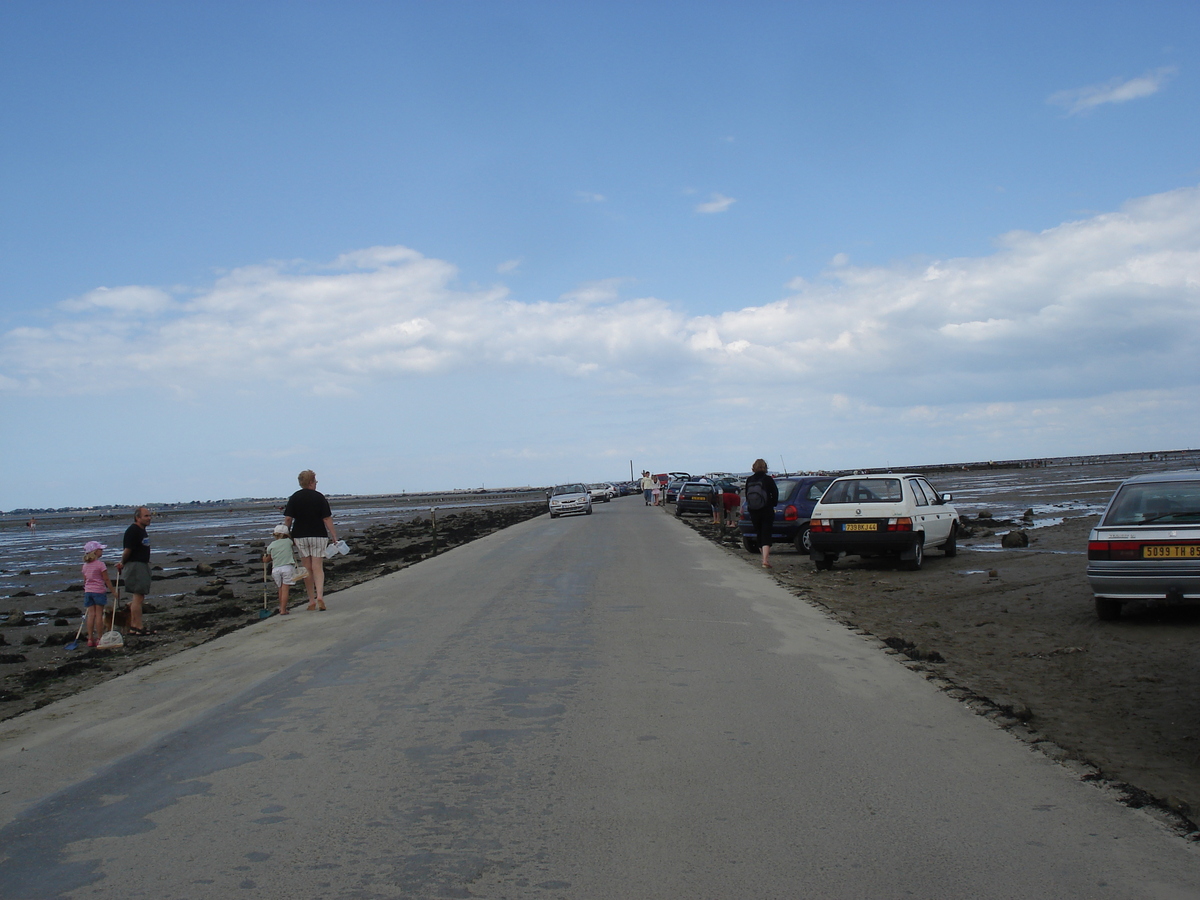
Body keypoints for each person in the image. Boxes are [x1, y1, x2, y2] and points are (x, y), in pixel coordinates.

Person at [284, 469, 339, 611]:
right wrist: (333, 536)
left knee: (306, 568)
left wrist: (286, 533)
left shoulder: (294, 497)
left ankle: (311, 600)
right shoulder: (319, 497)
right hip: (318, 534)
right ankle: (320, 596)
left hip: (300, 535)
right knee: (317, 567)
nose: (316, 484)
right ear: (311, 482)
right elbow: (326, 518)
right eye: (315, 481)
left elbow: (288, 518)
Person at [117, 506, 154, 634]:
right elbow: (127, 550)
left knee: (138, 597)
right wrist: (122, 563)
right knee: (138, 598)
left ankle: (134, 625)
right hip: (135, 566)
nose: (149, 518)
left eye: (149, 516)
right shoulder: (133, 531)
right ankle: (137, 626)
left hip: (142, 564)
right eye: (146, 516)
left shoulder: (142, 530)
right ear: (138, 518)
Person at [744, 459, 779, 568]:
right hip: (766, 509)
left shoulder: (749, 479)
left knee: (759, 533)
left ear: (753, 467)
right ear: (765, 467)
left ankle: (763, 558)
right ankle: (765, 560)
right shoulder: (767, 479)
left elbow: (746, 495)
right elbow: (775, 493)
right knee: (766, 533)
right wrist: (772, 504)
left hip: (753, 510)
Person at [81, 540, 116, 647]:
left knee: (91, 615)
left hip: (88, 592)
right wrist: (113, 591)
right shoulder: (101, 565)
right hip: (98, 591)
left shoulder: (85, 566)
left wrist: (86, 588)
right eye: (100, 549)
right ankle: (100, 638)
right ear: (95, 552)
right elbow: (106, 579)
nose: (102, 551)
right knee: (99, 615)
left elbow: (85, 579)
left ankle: (90, 638)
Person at [263, 524, 300, 616]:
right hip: (287, 568)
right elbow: (295, 543)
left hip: (275, 569)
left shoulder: (271, 545)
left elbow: (268, 559)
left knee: (280, 589)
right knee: (285, 589)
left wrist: (264, 559)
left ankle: (281, 607)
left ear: (275, 535)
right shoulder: (288, 541)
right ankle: (283, 609)